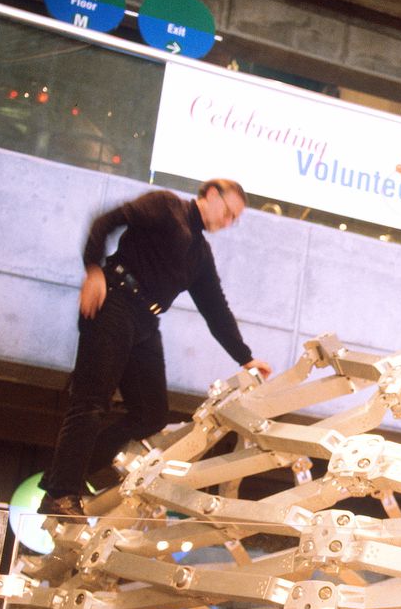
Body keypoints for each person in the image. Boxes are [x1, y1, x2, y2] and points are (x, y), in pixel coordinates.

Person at [38, 179, 271, 516]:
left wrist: (246, 358)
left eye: (235, 219)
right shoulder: (166, 206)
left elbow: (215, 309)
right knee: (91, 402)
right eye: (229, 212)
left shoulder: (200, 255)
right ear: (211, 194)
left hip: (145, 322)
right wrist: (93, 270)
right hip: (113, 301)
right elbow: (105, 222)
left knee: (151, 413)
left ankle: (63, 475)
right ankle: (61, 493)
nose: (229, 222)